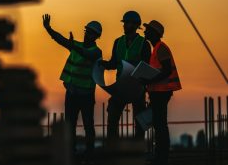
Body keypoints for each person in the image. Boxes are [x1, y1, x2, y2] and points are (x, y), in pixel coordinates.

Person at [42, 14, 102, 155]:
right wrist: (49, 29)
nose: (88, 35)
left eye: (91, 33)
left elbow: (87, 54)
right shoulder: (77, 46)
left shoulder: (96, 52)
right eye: (87, 32)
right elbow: (61, 40)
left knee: (88, 125)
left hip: (86, 95)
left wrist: (72, 45)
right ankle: (71, 151)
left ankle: (90, 153)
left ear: (97, 36)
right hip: (72, 93)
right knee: (70, 125)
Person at [99, 11, 151, 139]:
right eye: (125, 22)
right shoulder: (118, 42)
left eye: (128, 23)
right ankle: (114, 150)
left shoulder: (143, 43)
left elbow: (146, 67)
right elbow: (114, 63)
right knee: (112, 118)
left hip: (137, 87)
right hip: (121, 86)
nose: (125, 25)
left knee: (139, 121)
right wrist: (103, 64)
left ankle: (137, 150)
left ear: (135, 25)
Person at [143, 20, 182, 165]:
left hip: (162, 92)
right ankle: (160, 156)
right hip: (157, 92)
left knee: (160, 125)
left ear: (155, 33)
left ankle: (162, 157)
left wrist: (150, 79)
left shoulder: (161, 48)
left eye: (147, 30)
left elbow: (166, 70)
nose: (145, 32)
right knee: (158, 124)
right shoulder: (156, 49)